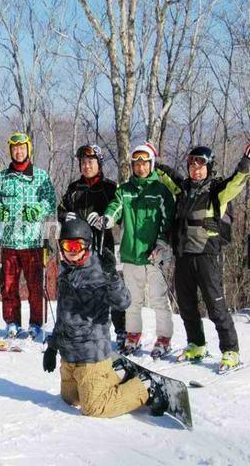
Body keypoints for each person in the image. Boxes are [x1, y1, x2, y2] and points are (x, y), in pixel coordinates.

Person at [42, 218, 166, 418]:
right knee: (70, 399)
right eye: (67, 245)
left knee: (94, 408)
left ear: (87, 246)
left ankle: (146, 387)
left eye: (77, 246)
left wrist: (112, 277)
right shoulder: (66, 269)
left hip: (91, 354)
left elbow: (123, 302)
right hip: (70, 355)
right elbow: (64, 315)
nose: (72, 251)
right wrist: (53, 346)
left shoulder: (99, 271)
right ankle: (115, 374)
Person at [156, 144, 250, 371]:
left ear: (208, 167)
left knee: (215, 306)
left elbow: (237, 181)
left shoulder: (217, 190)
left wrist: (246, 162)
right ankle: (196, 344)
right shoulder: (183, 189)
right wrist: (154, 161)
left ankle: (231, 350)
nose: (195, 170)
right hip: (184, 255)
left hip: (207, 255)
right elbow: (167, 176)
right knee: (187, 305)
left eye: (200, 165)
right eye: (191, 165)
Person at [95, 142, 175, 358]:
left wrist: (160, 244)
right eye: (136, 163)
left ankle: (164, 337)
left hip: (154, 256)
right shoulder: (125, 191)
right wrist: (108, 218)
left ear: (151, 164)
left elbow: (168, 221)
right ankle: (133, 335)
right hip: (131, 254)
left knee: (159, 299)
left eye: (144, 163)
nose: (140, 167)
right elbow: (116, 207)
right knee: (132, 300)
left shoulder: (161, 192)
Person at [57, 144, 126, 348]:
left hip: (103, 245)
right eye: (83, 162)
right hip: (78, 250)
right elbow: (61, 209)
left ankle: (121, 330)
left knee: (111, 286)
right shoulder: (74, 188)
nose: (86, 166)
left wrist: (106, 219)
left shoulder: (110, 188)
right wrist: (64, 217)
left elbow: (120, 212)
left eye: (90, 162)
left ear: (99, 163)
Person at [0, 132, 56, 338]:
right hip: (9, 241)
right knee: (9, 286)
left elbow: (51, 200)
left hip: (33, 242)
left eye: (22, 148)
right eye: (15, 148)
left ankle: (35, 323)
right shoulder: (2, 177)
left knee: (36, 287)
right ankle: (12, 322)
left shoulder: (40, 175)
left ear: (28, 149)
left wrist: (38, 209)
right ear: (11, 151)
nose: (19, 152)